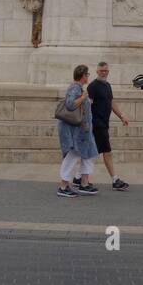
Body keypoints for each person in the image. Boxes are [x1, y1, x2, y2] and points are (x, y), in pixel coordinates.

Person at [84, 61, 129, 191]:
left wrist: (122, 116)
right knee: (107, 152)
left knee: (93, 153)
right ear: (97, 71)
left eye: (106, 71)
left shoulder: (107, 86)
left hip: (104, 123)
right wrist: (88, 123)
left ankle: (78, 177)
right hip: (97, 124)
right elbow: (88, 105)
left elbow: (111, 102)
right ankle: (115, 179)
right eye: (102, 71)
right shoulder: (92, 86)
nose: (104, 73)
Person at [57, 65, 98, 197]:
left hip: (83, 131)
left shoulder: (78, 88)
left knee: (89, 154)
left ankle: (84, 183)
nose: (88, 77)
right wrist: (83, 97)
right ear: (83, 75)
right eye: (87, 75)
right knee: (73, 155)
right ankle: (63, 186)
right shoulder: (75, 88)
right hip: (76, 132)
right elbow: (70, 104)